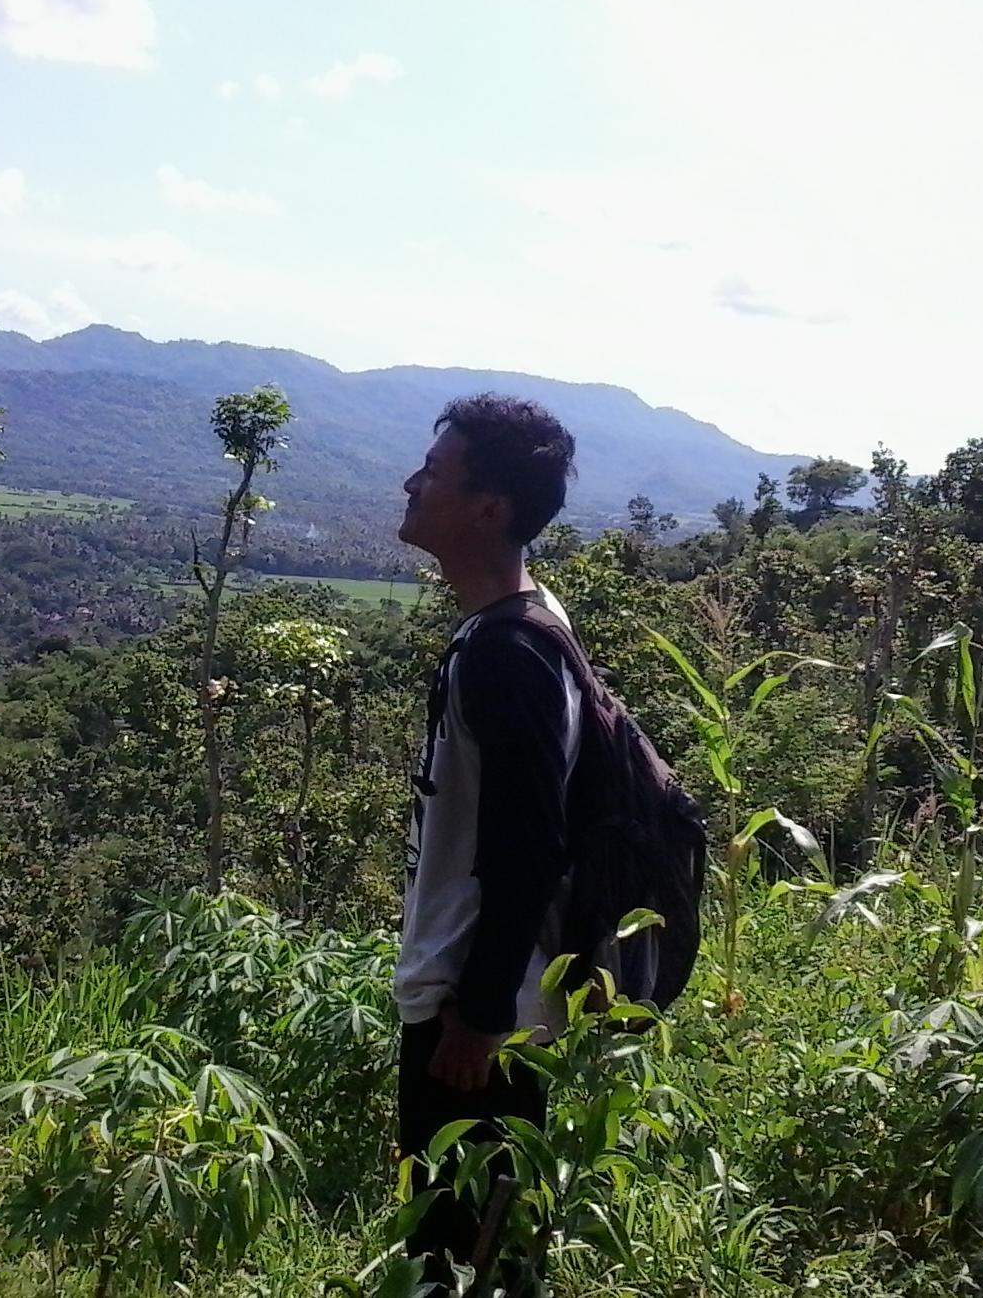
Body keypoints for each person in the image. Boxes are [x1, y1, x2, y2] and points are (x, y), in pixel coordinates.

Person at [393, 392, 579, 1292]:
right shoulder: (521, 627)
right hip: (480, 1002)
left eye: (433, 473)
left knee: (457, 1256)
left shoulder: (509, 656)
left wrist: (478, 1014)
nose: (411, 484)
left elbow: (529, 847)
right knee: (482, 1245)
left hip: (473, 1019)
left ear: (487, 509)